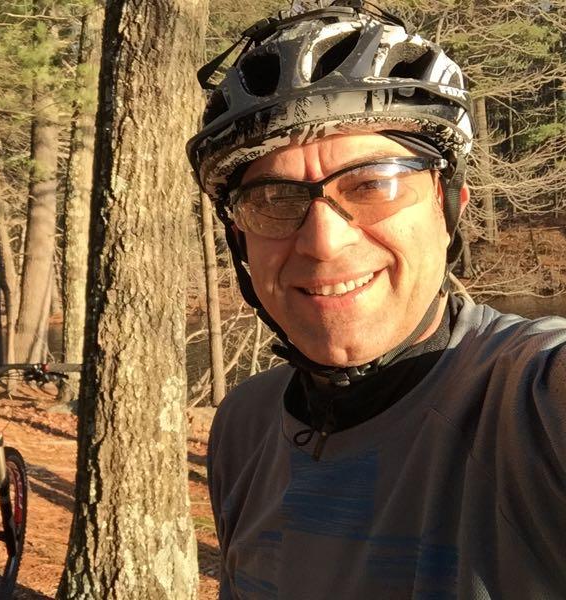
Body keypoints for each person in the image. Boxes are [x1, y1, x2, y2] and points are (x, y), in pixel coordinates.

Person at [186, 1, 566, 598]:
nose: (322, 242)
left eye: (372, 184)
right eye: (274, 199)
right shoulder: (245, 428)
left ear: (450, 206)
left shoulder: (529, 403)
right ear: (241, 239)